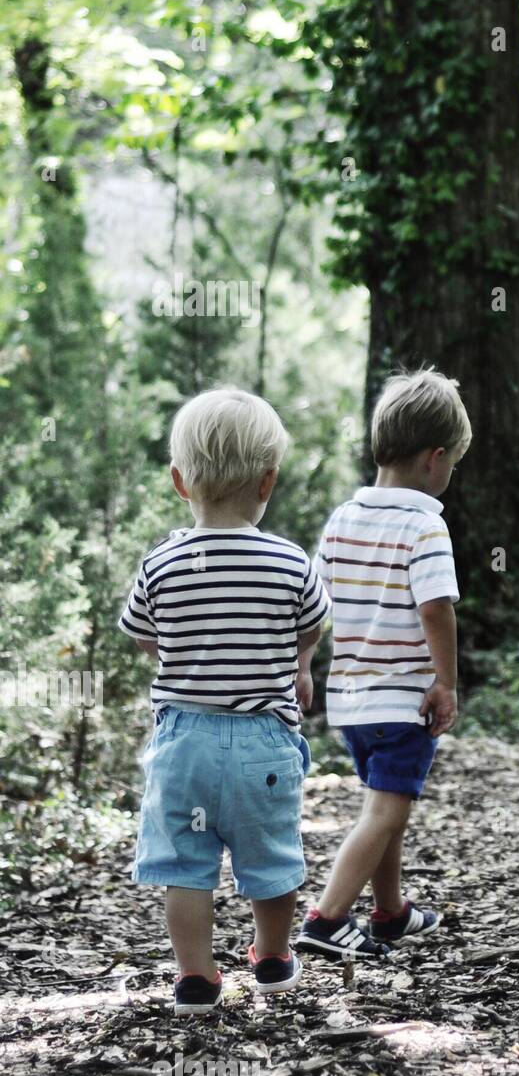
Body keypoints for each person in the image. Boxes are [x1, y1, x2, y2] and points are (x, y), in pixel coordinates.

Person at [120, 388, 328, 1014]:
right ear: (268, 481)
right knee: (272, 855)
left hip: (185, 742)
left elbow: (142, 633)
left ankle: (196, 976)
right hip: (262, 740)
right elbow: (313, 622)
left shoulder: (163, 561)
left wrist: (184, 659)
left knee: (184, 863)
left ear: (179, 482)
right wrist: (300, 664)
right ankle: (270, 955)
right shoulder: (290, 560)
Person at [297, 369, 467, 960]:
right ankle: (326, 918)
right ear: (435, 458)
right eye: (453, 465)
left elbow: (312, 602)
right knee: (383, 811)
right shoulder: (425, 524)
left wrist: (304, 664)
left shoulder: (344, 517)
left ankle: (390, 912)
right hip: (402, 698)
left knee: (384, 802)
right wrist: (444, 681)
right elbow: (436, 609)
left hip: (350, 700)